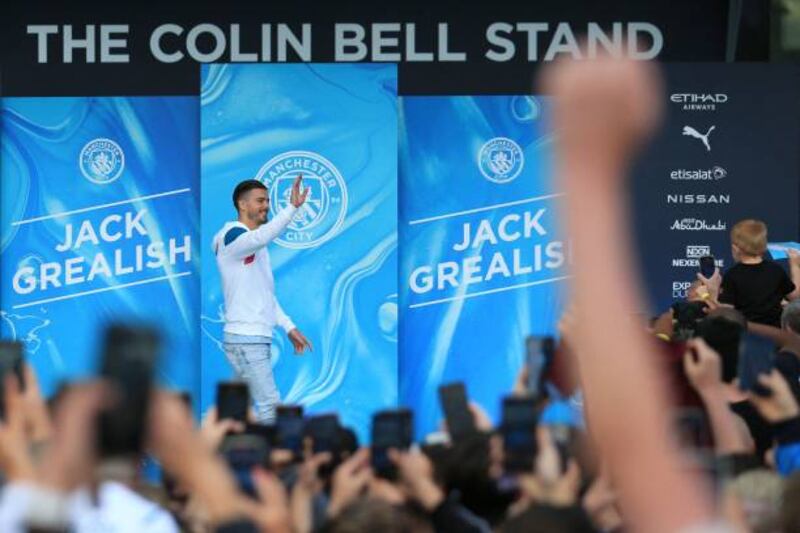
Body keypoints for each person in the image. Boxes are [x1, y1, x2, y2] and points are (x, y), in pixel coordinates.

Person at [212, 176, 313, 423]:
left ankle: (239, 459)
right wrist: (292, 208)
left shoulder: (251, 243)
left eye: (267, 200)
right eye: (260, 200)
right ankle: (274, 460)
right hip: (247, 339)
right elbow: (260, 238)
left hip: (247, 337)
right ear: (242, 204)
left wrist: (288, 326)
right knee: (269, 407)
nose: (266, 205)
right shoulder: (232, 237)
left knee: (240, 414)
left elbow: (264, 294)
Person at [712, 219, 800, 327]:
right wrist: (795, 265)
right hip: (775, 335)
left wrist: (712, 292)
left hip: (746, 335)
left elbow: (727, 312)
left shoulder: (732, 275)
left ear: (735, 248)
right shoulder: (775, 270)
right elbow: (795, 296)